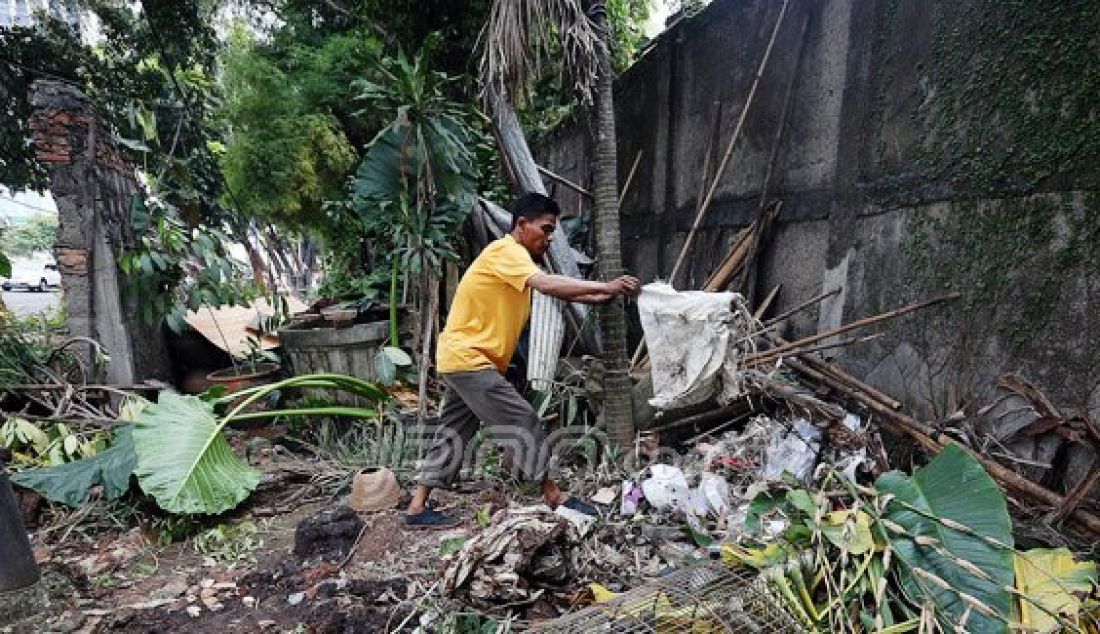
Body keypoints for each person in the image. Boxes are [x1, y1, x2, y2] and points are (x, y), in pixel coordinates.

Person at [405, 192, 640, 528]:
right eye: (545, 229)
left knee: (454, 431)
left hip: (460, 357)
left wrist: (604, 293)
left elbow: (554, 288)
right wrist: (606, 284)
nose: (549, 238)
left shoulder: (512, 259)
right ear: (521, 224)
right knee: (523, 419)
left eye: (552, 231)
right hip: (470, 359)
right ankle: (553, 495)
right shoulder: (507, 251)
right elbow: (546, 284)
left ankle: (416, 508)